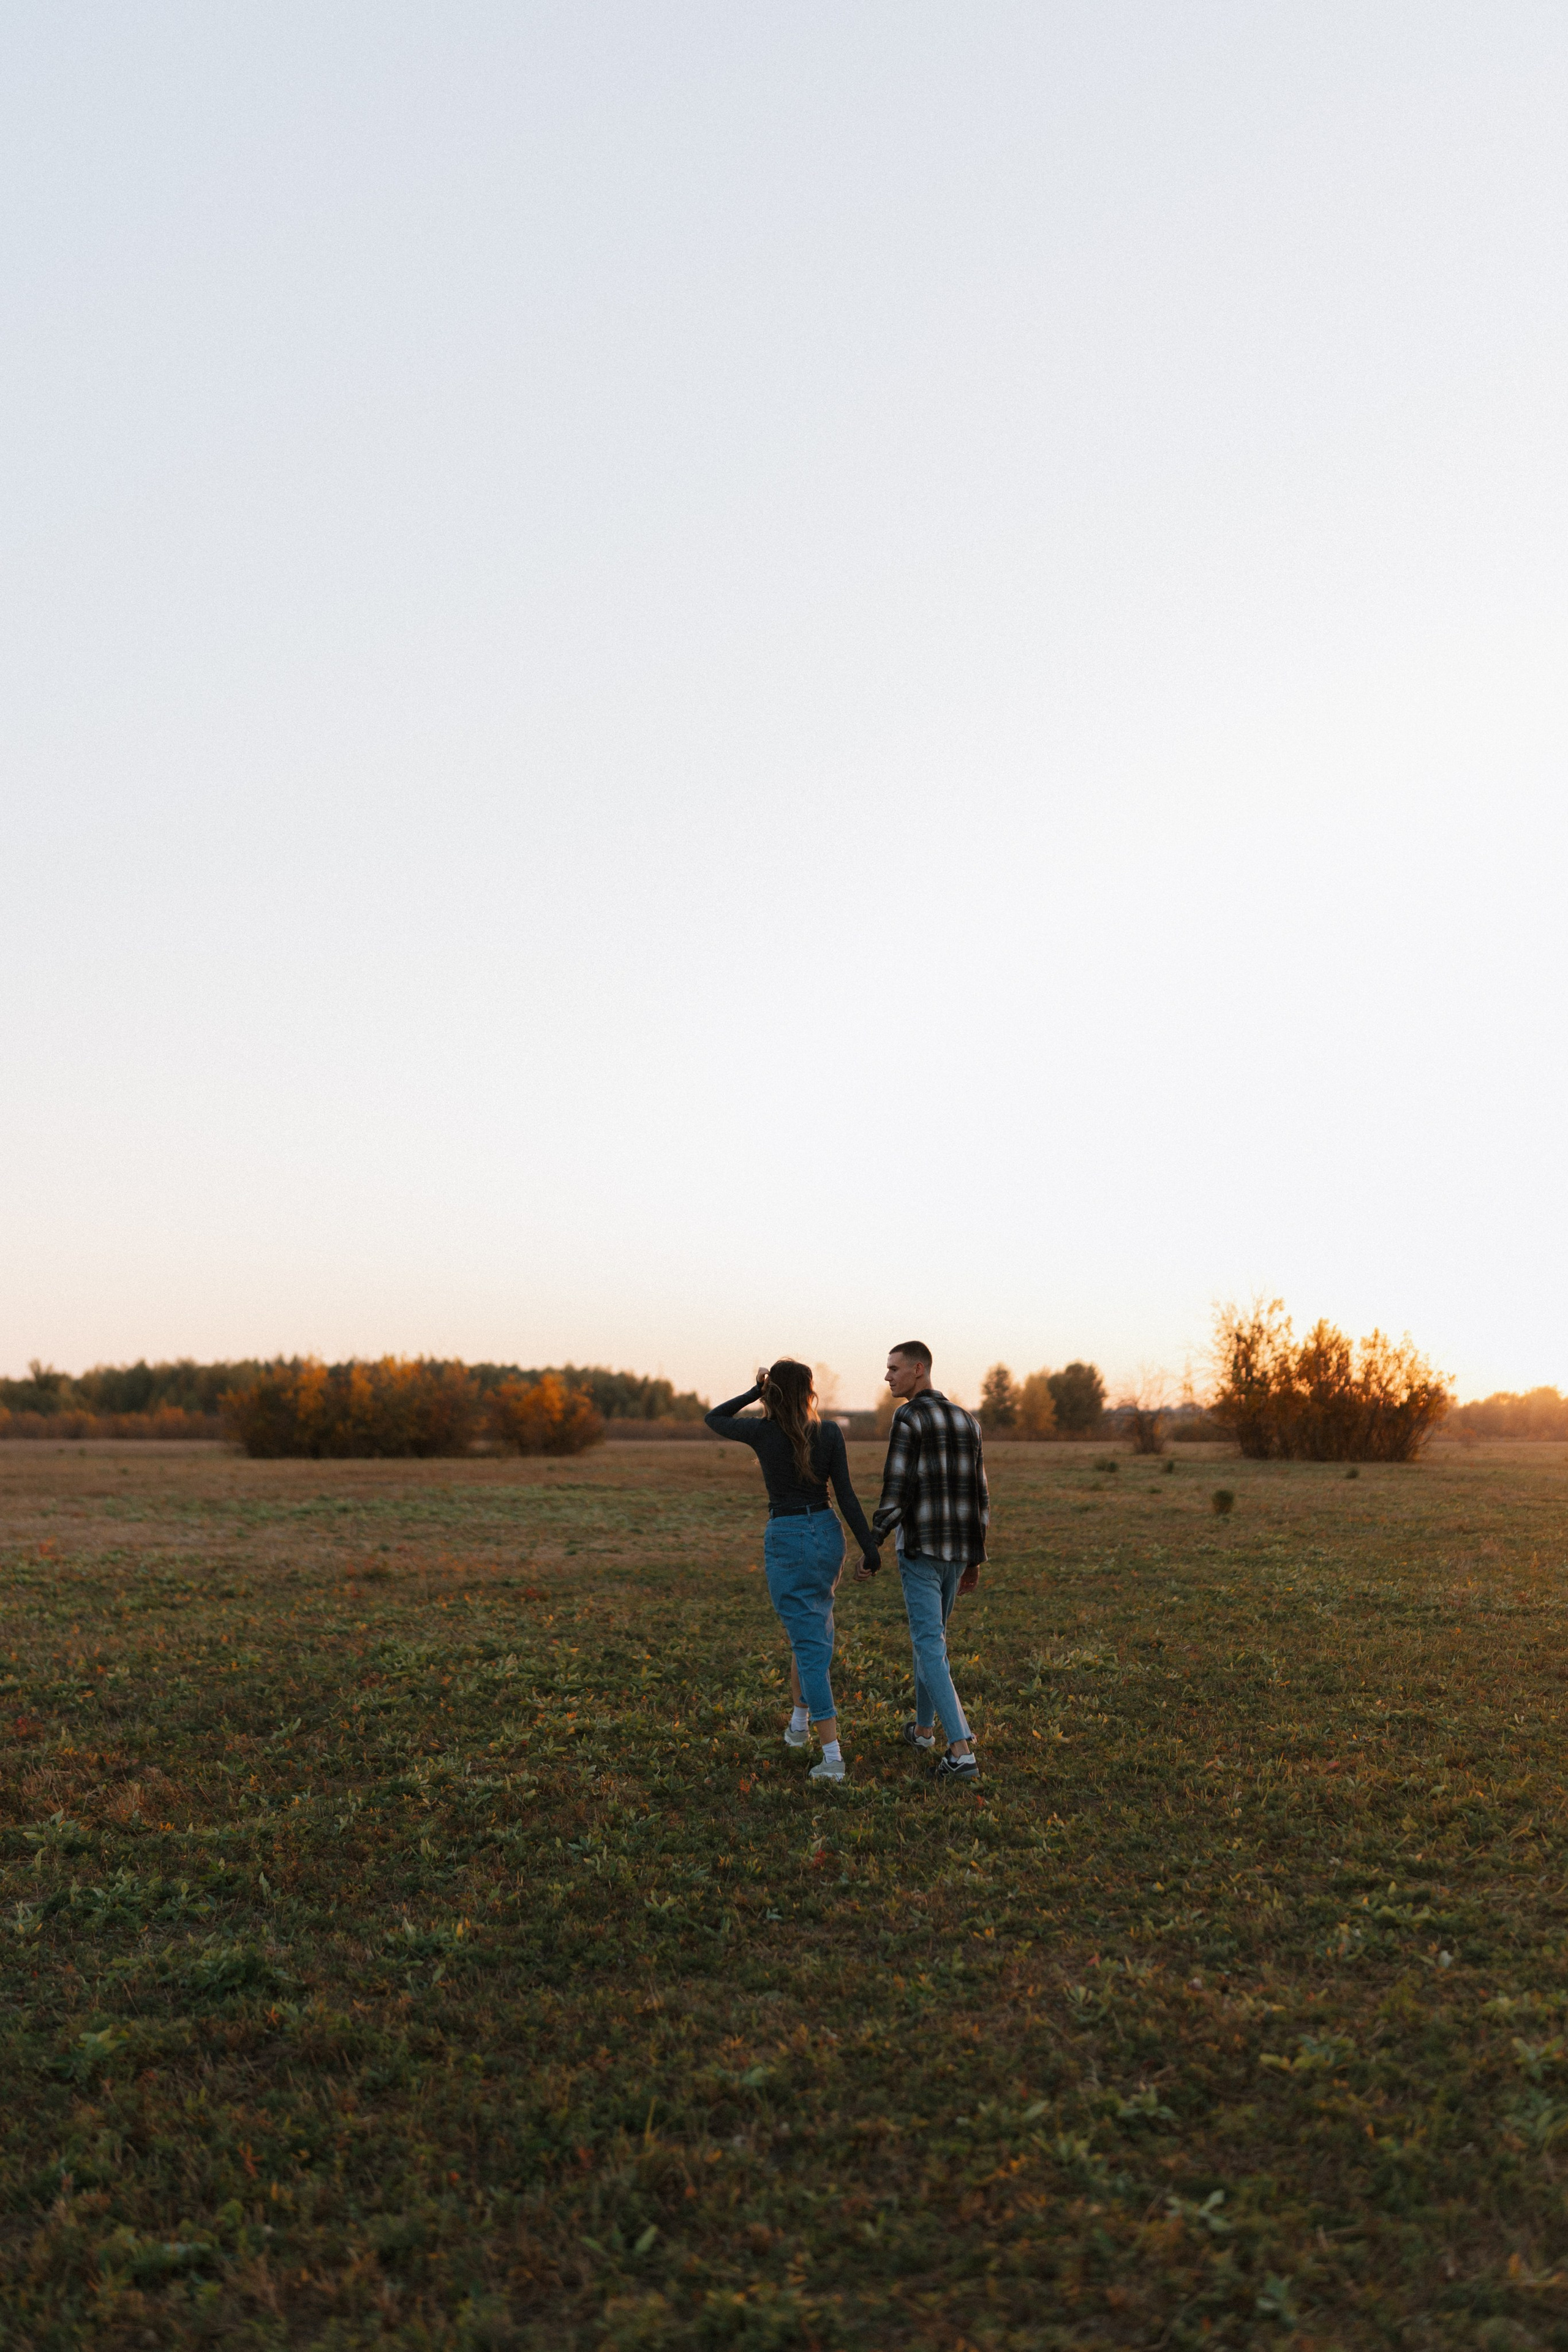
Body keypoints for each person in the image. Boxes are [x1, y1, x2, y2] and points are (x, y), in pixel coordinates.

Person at [706, 1361, 880, 1783]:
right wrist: (869, 1548)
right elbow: (848, 1496)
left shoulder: (763, 1432)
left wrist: (754, 1392)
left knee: (809, 1644)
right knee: (813, 1629)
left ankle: (833, 1758)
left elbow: (714, 1418)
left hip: (788, 1537)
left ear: (774, 1393)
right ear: (810, 1392)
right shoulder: (830, 1432)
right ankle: (799, 1726)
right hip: (826, 1531)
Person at [869, 1341, 987, 1784]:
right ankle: (922, 1731)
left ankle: (960, 1752)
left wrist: (874, 1539)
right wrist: (975, 1557)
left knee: (929, 1644)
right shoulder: (968, 1420)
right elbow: (980, 1496)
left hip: (920, 1548)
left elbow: (895, 1487)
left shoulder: (909, 1417)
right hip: (958, 1551)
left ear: (919, 1370)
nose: (888, 1378)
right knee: (929, 1642)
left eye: (894, 1369)